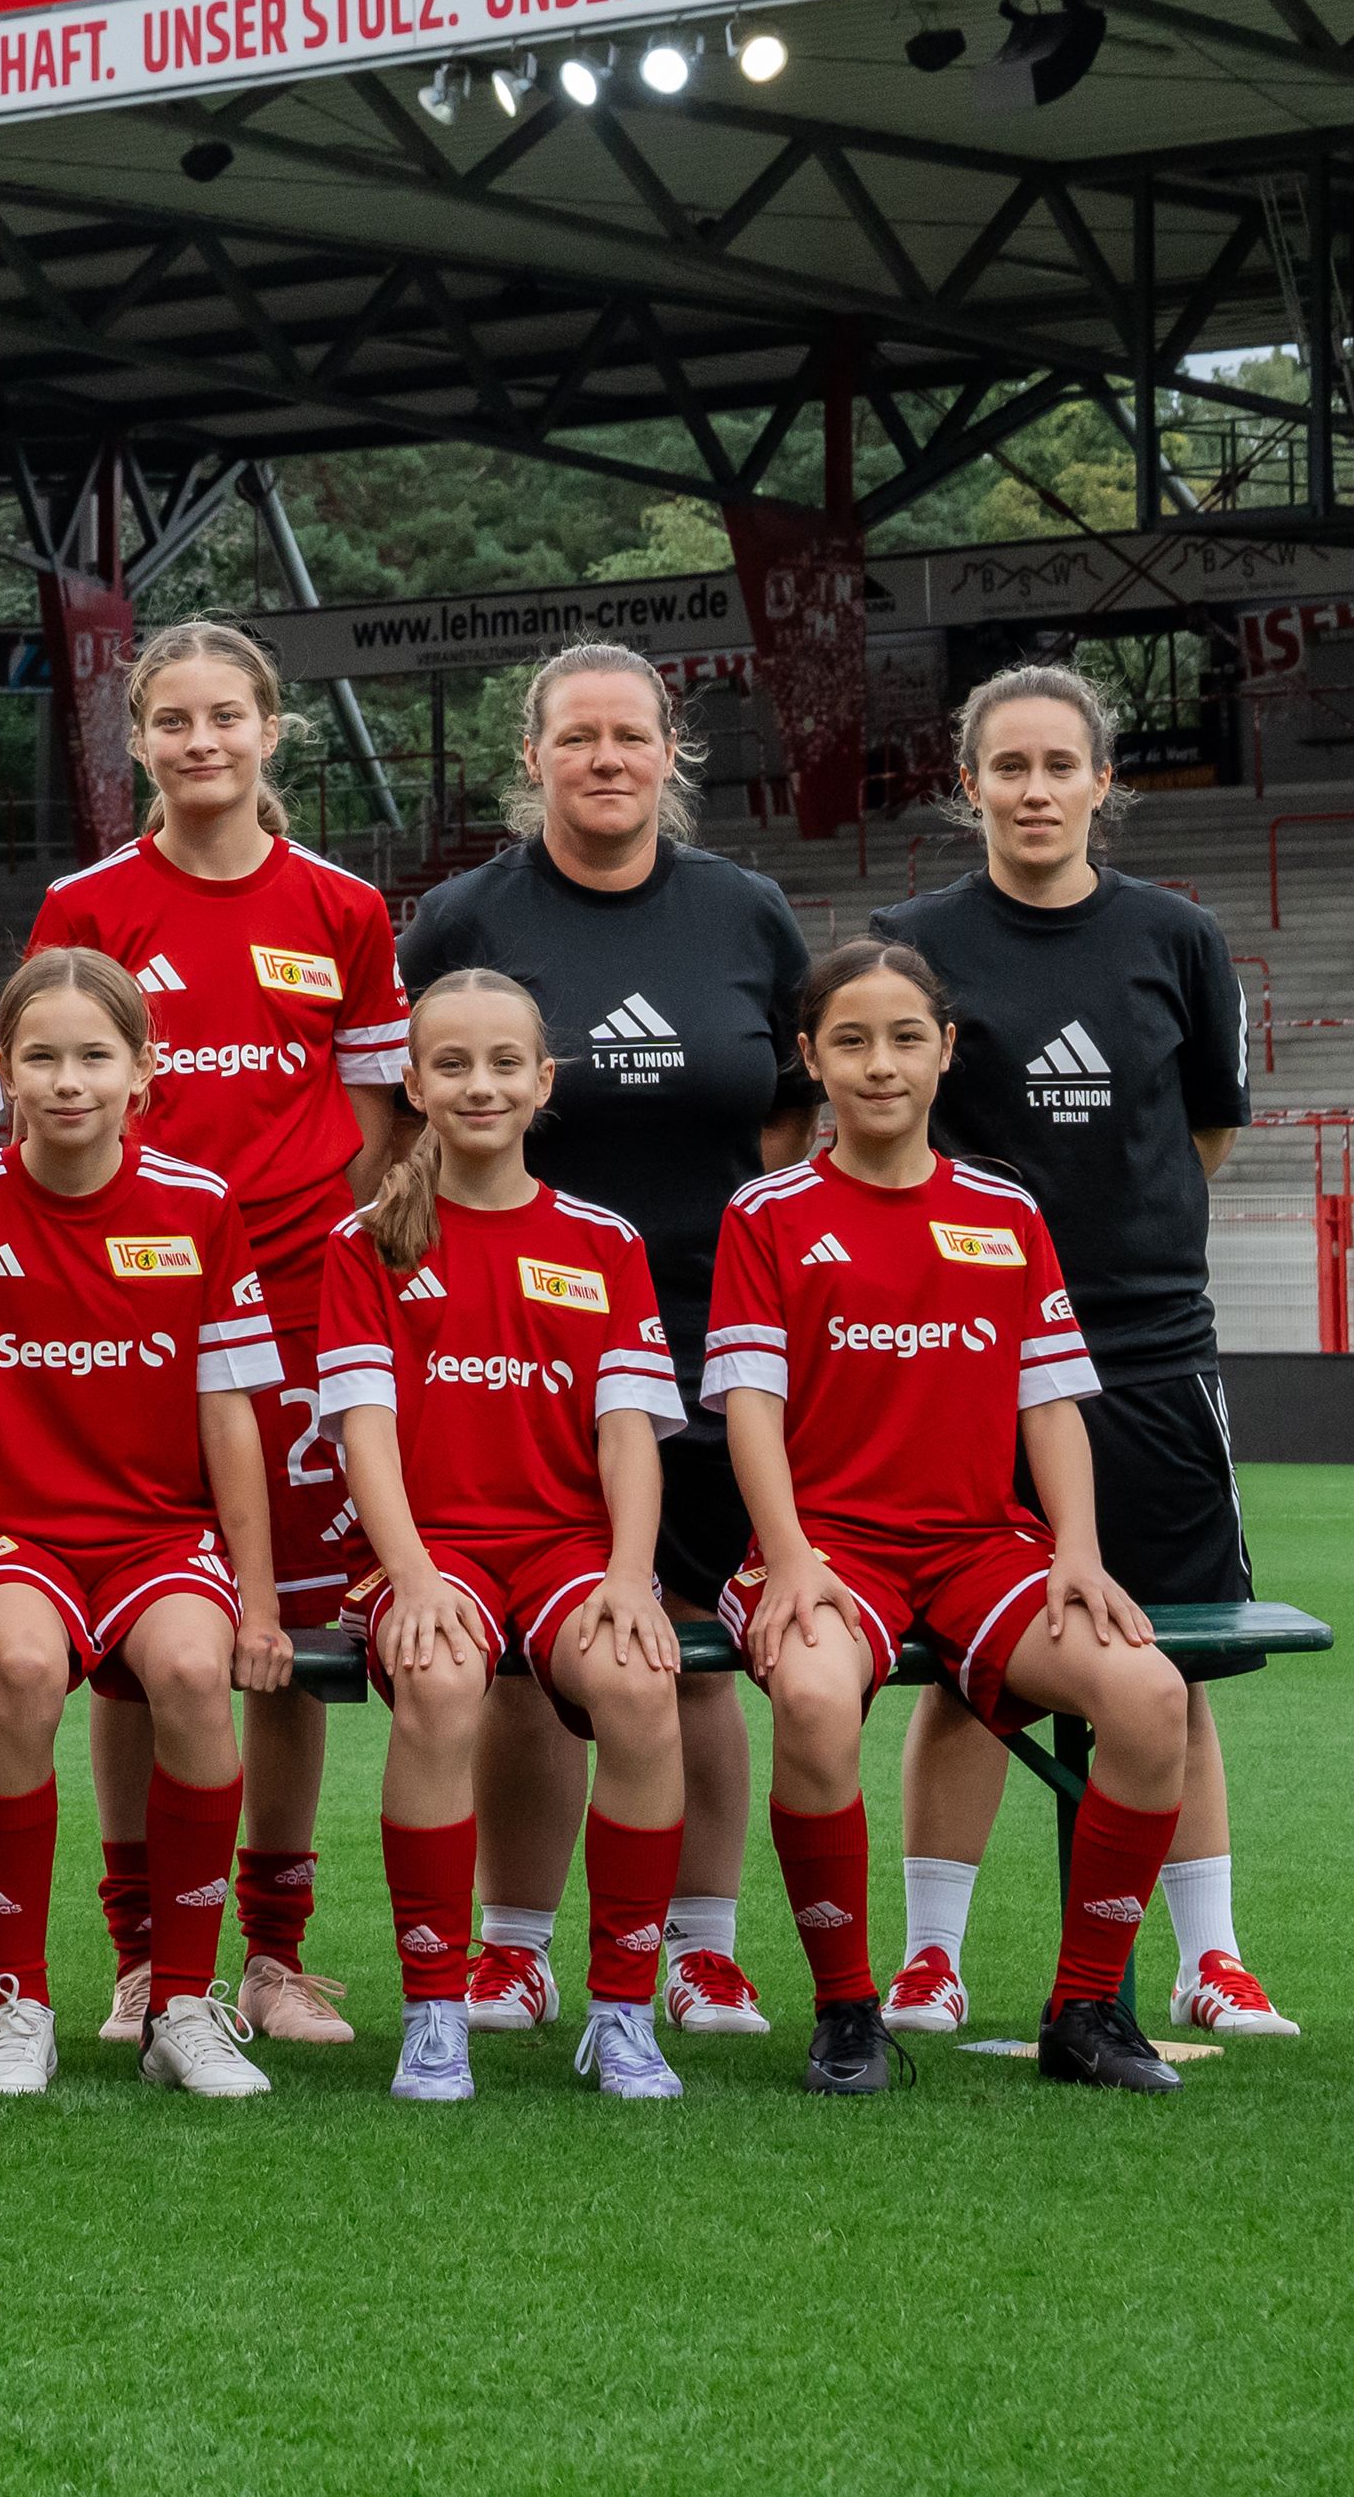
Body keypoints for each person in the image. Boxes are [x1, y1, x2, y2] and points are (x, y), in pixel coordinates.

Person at [398, 643, 811, 2042]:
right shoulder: (463, 915)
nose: (606, 757)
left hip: (706, 1339)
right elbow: (420, 1111)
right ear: (536, 757)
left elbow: (784, 1123)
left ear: (668, 749)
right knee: (518, 1653)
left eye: (629, 734)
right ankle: (513, 1947)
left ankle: (697, 1947)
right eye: (577, 736)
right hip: (504, 1344)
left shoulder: (748, 913)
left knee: (681, 1648)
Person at [705, 940, 1197, 2095]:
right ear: (810, 1058)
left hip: (982, 1544)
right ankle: (846, 2011)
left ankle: (1084, 2010)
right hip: (827, 1545)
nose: (882, 1064)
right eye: (853, 1040)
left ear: (947, 1052)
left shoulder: (1003, 1209)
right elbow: (751, 1410)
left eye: (907, 1038)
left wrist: (1077, 1549)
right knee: (818, 1698)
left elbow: (1052, 1401)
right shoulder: (767, 1212)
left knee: (1150, 1692)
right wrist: (786, 1560)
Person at [870, 663, 1278, 2038]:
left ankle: (1209, 1954)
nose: (1035, 789)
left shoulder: (1178, 936)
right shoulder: (913, 940)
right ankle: (932, 1956)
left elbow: (1205, 1132)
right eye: (1010, 765)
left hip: (1152, 1352)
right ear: (966, 778)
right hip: (971, 1356)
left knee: (1169, 1658)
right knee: (969, 1668)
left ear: (1104, 783)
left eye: (1061, 765)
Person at [28, 621, 410, 2047]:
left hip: (301, 1315)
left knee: (285, 1636)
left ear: (271, 731)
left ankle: (276, 1952)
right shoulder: (85, 901)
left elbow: (374, 1121)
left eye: (227, 717)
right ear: (139, 740)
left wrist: (322, 1248)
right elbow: (55, 1090)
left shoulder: (344, 907)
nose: (203, 742)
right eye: (174, 720)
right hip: (130, 1312)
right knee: (147, 1629)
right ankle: (143, 1956)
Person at [0, 948, 287, 2101]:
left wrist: (261, 1597)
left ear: (144, 1070)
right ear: (0, 1071)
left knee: (196, 1672)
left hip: (157, 1535)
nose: (67, 1079)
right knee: (29, 1667)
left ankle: (183, 2003)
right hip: (3, 1534)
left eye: (95, 1054)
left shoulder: (200, 1206)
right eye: (39, 1056)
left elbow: (229, 1413)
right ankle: (20, 2001)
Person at [311, 968, 690, 2106]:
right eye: (454, 1064)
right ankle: (435, 2014)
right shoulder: (367, 1240)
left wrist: (630, 1573)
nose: (481, 1084)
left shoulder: (602, 1240)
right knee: (438, 1677)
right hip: (427, 1548)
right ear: (415, 1084)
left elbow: (628, 1434)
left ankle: (623, 2011)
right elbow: (364, 1431)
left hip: (567, 1546)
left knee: (638, 1679)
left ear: (544, 1083)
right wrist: (415, 1574)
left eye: (505, 1063)